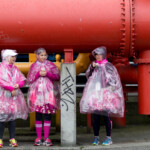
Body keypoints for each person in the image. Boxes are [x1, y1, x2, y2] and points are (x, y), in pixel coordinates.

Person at [80, 46, 124, 146]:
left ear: (103, 55)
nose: (98, 56)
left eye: (99, 55)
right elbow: (88, 76)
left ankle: (109, 138)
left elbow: (113, 79)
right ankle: (96, 138)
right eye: (96, 55)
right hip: (96, 95)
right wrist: (92, 67)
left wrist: (111, 89)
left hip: (106, 95)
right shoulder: (94, 65)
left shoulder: (108, 66)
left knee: (107, 117)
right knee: (96, 117)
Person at [27, 48, 60, 146]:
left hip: (48, 94)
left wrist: (47, 74)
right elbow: (30, 79)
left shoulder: (51, 65)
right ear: (36, 56)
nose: (43, 57)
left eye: (45, 55)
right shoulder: (33, 66)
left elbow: (57, 77)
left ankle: (46, 137)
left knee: (47, 115)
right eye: (41, 55)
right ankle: (38, 137)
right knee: (38, 115)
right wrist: (38, 74)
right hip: (37, 94)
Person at [0, 49, 28, 148]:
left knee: (12, 118)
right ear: (6, 57)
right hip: (3, 96)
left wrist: (18, 85)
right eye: (12, 56)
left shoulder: (15, 69)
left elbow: (22, 79)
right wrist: (11, 88)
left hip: (13, 96)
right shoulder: (1, 68)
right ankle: (0, 139)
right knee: (1, 118)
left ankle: (12, 138)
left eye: (15, 56)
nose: (14, 58)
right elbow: (1, 81)